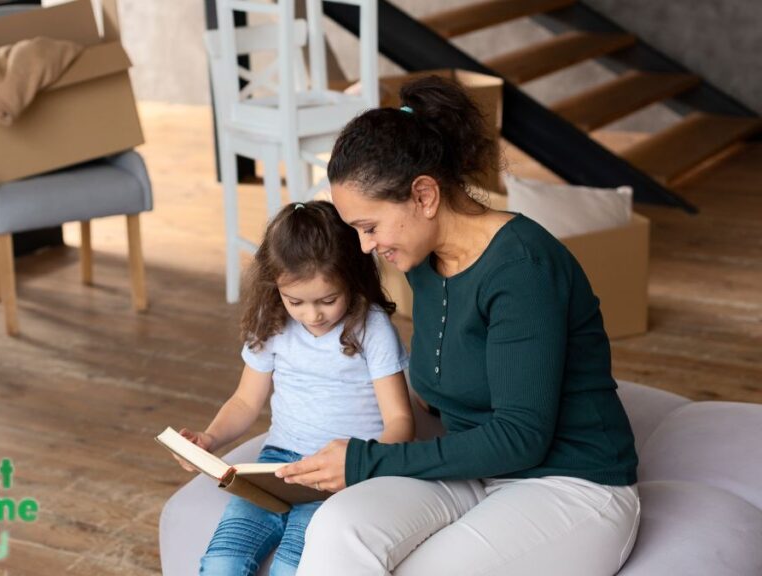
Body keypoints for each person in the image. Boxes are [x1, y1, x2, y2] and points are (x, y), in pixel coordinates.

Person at [275, 76, 641, 576]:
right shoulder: (424, 261)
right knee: (337, 529)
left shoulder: (522, 268)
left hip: (570, 482)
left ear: (424, 195)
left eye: (369, 227)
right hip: (470, 469)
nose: (364, 247)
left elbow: (521, 437)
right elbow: (437, 395)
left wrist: (367, 461)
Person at [177, 200, 416, 576]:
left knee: (292, 568)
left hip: (339, 473)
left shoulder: (372, 327)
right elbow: (244, 401)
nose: (312, 315)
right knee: (222, 563)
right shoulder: (270, 320)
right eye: (296, 302)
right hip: (276, 467)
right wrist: (209, 439)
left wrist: (361, 464)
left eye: (328, 300)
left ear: (351, 278)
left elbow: (400, 420)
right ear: (276, 288)